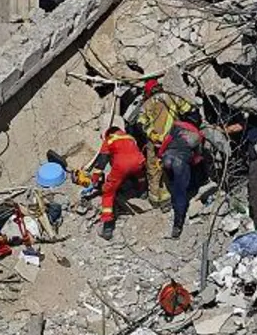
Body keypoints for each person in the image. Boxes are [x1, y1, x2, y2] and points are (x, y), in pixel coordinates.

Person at [139, 80, 195, 208]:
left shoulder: (146, 104)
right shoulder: (173, 97)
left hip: (155, 141)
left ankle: (155, 199)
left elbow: (140, 123)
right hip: (174, 139)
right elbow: (189, 110)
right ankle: (170, 199)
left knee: (153, 168)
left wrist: (151, 134)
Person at [87, 126, 146, 240]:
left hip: (121, 166)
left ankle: (108, 226)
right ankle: (142, 192)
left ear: (108, 134)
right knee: (140, 175)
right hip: (139, 161)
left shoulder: (109, 140)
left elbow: (101, 164)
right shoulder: (130, 137)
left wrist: (94, 180)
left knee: (108, 192)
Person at [157, 109, 205, 239]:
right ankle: (177, 225)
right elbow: (197, 157)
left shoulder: (177, 125)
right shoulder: (198, 135)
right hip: (180, 162)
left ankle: (167, 202)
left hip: (167, 158)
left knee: (172, 182)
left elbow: (167, 140)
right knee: (181, 193)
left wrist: (160, 154)